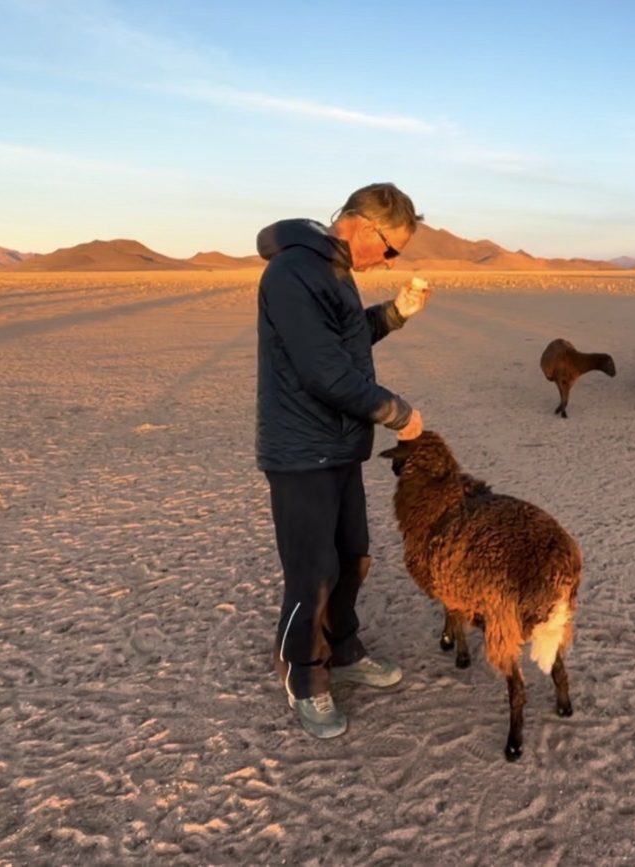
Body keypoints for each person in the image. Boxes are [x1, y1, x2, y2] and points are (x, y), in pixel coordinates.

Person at [255, 182, 429, 738]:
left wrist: (396, 314)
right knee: (313, 571)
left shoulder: (334, 273)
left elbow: (346, 343)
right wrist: (398, 412)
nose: (391, 259)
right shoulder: (292, 273)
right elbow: (323, 372)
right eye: (391, 247)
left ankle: (344, 650)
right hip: (301, 451)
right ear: (360, 225)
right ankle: (304, 675)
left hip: (337, 445)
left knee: (353, 557)